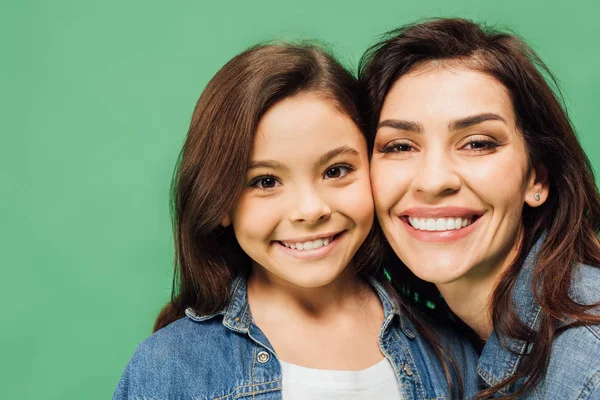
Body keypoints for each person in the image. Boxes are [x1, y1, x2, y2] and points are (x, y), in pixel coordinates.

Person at [113, 43, 479, 400]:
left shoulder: (450, 352)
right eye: (266, 181)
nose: (309, 209)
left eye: (336, 170)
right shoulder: (171, 368)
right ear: (220, 202)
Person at [360, 18, 600, 399]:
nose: (434, 180)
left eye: (477, 143)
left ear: (536, 179)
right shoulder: (445, 345)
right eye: (400, 146)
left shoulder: (588, 366)